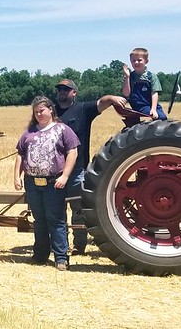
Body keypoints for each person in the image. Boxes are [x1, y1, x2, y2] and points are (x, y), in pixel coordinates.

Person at [53, 78, 127, 255]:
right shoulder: (51, 111)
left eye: (66, 89)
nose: (62, 92)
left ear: (74, 93)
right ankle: (60, 245)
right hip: (54, 170)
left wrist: (112, 98)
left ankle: (79, 246)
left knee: (78, 209)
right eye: (60, 89)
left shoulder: (83, 109)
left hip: (78, 169)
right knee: (56, 210)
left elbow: (101, 103)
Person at [14, 96, 80, 271]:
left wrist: (65, 176)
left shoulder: (62, 130)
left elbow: (72, 152)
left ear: (51, 110)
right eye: (36, 112)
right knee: (39, 220)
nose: (39, 114)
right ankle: (40, 255)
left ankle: (61, 257)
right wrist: (17, 177)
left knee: (56, 219)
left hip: (53, 183)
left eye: (42, 110)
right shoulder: (29, 132)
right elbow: (20, 155)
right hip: (32, 183)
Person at [122, 47, 167, 126]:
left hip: (152, 104)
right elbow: (126, 94)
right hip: (139, 105)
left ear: (146, 61)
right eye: (133, 60)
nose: (136, 62)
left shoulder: (151, 76)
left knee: (163, 118)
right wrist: (127, 77)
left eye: (139, 60)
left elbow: (154, 93)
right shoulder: (130, 77)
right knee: (155, 118)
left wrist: (153, 109)